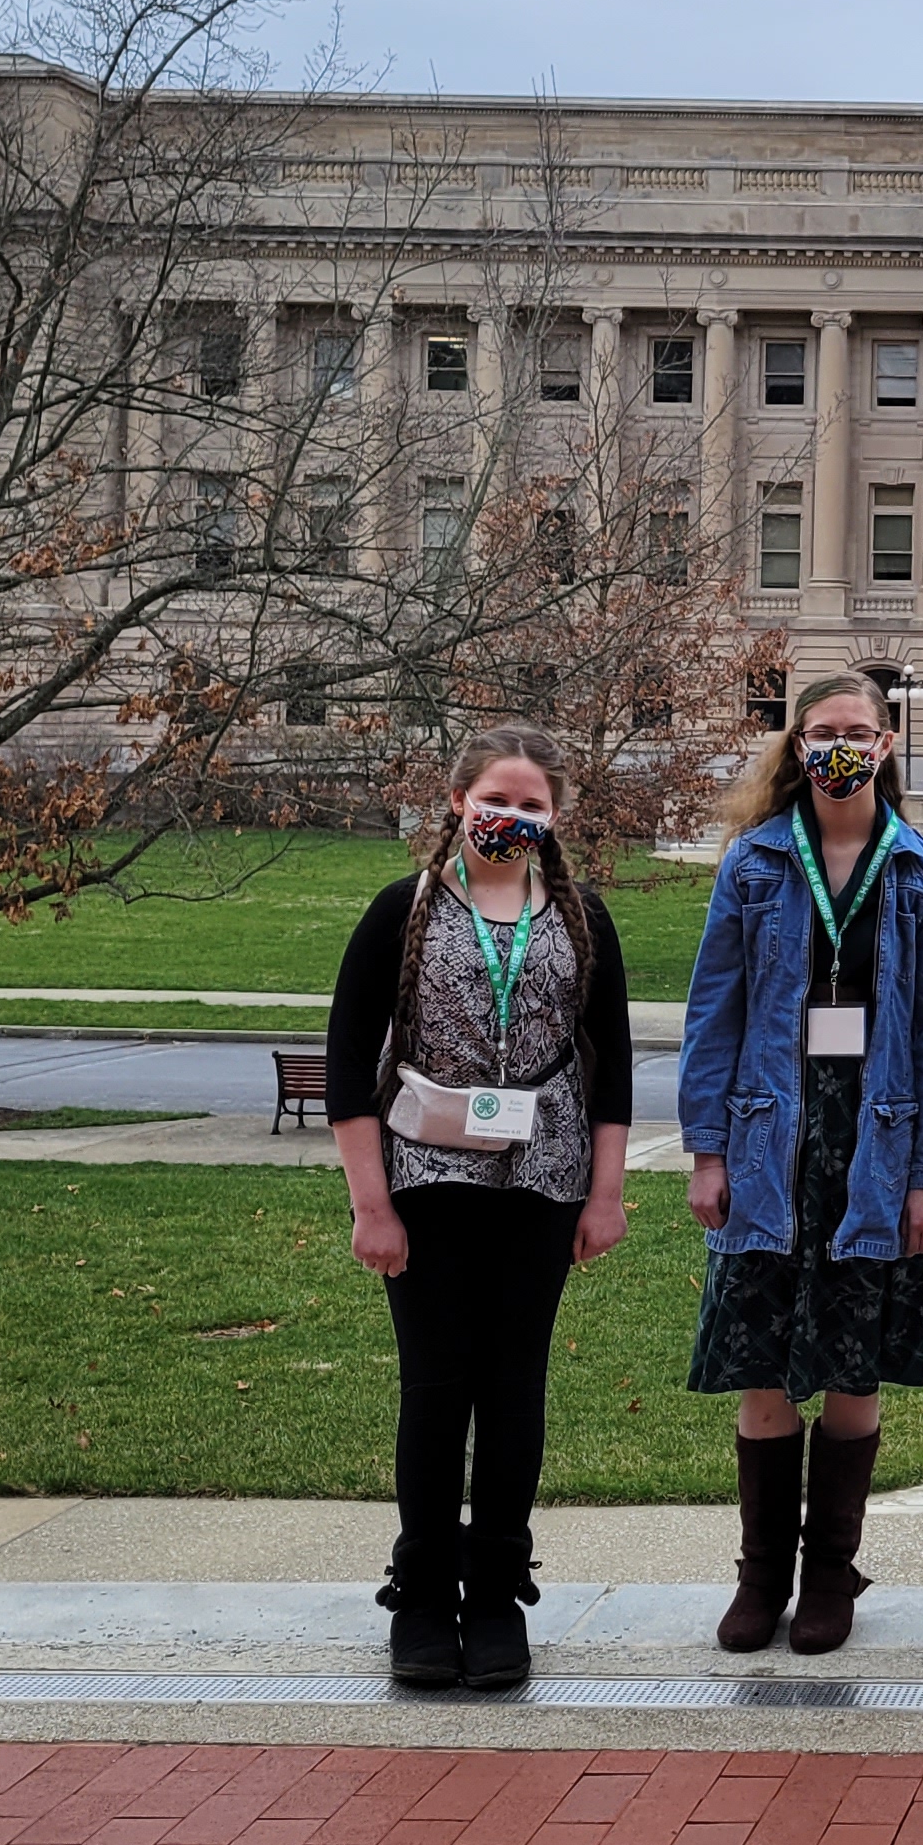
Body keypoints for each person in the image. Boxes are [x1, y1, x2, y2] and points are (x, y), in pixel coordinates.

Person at [325, 723, 635, 1692]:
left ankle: (497, 1591)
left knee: (513, 1394)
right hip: (429, 1182)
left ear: (557, 816)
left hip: (542, 1183)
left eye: (532, 804)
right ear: (458, 801)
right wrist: (372, 1206)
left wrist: (607, 1194)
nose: (512, 817)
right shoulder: (401, 912)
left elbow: (615, 1068)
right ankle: (422, 1596)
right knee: (436, 1389)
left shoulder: (580, 918)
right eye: (496, 798)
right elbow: (345, 1065)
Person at [676, 671, 923, 1657]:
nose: (841, 748)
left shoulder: (921, 872)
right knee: (764, 1370)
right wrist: (704, 1151)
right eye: (823, 733)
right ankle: (761, 1577)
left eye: (859, 733)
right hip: (771, 1138)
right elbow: (712, 1013)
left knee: (854, 1369)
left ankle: (830, 1574)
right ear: (798, 746)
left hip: (874, 1147)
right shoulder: (755, 863)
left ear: (886, 747)